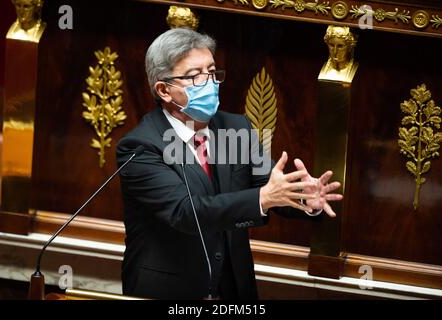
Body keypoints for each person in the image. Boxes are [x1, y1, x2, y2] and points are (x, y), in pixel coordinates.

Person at [117, 27, 343, 300]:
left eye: (212, 72)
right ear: (164, 90)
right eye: (195, 76)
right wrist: (262, 197)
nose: (209, 83)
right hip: (169, 290)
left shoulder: (234, 127)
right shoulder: (141, 146)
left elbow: (270, 187)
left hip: (234, 288)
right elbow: (184, 212)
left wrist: (305, 198)